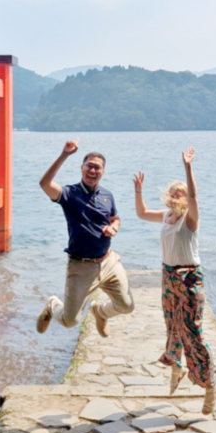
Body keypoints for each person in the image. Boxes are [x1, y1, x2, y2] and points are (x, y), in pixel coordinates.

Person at [133, 147, 216, 414]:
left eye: (179, 192)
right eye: (172, 192)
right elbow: (142, 213)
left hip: (189, 278)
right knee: (172, 326)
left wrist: (188, 167)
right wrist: (138, 191)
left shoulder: (190, 219)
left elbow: (193, 196)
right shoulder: (166, 216)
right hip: (169, 276)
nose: (175, 195)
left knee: (193, 332)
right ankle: (177, 367)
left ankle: (210, 386)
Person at [37, 139, 135, 338]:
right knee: (69, 321)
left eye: (97, 167)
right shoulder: (69, 194)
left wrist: (114, 227)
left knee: (127, 306)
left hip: (108, 261)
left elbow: (115, 218)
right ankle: (52, 304)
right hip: (81, 266)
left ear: (103, 172)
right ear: (82, 168)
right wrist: (64, 154)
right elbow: (44, 183)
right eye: (89, 166)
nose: (92, 170)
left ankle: (100, 311)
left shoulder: (107, 195)